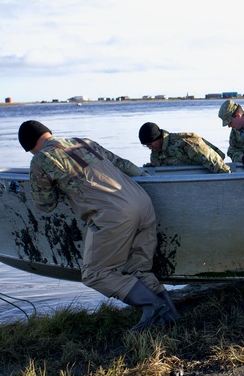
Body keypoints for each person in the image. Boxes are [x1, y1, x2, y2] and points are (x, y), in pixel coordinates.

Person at [18, 120, 181, 330]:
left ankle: (154, 306)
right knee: (137, 268)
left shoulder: (42, 159)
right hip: (142, 202)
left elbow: (45, 204)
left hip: (114, 215)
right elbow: (124, 165)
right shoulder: (83, 142)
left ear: (30, 147)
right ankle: (171, 317)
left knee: (95, 274)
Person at [138, 122, 230, 174]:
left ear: (158, 138)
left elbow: (215, 162)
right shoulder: (156, 153)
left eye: (150, 144)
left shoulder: (185, 142)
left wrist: (229, 180)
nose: (150, 148)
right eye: (146, 145)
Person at [218, 99, 244, 168]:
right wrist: (243, 158)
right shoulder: (235, 132)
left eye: (230, 122)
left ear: (238, 116)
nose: (229, 126)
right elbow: (232, 151)